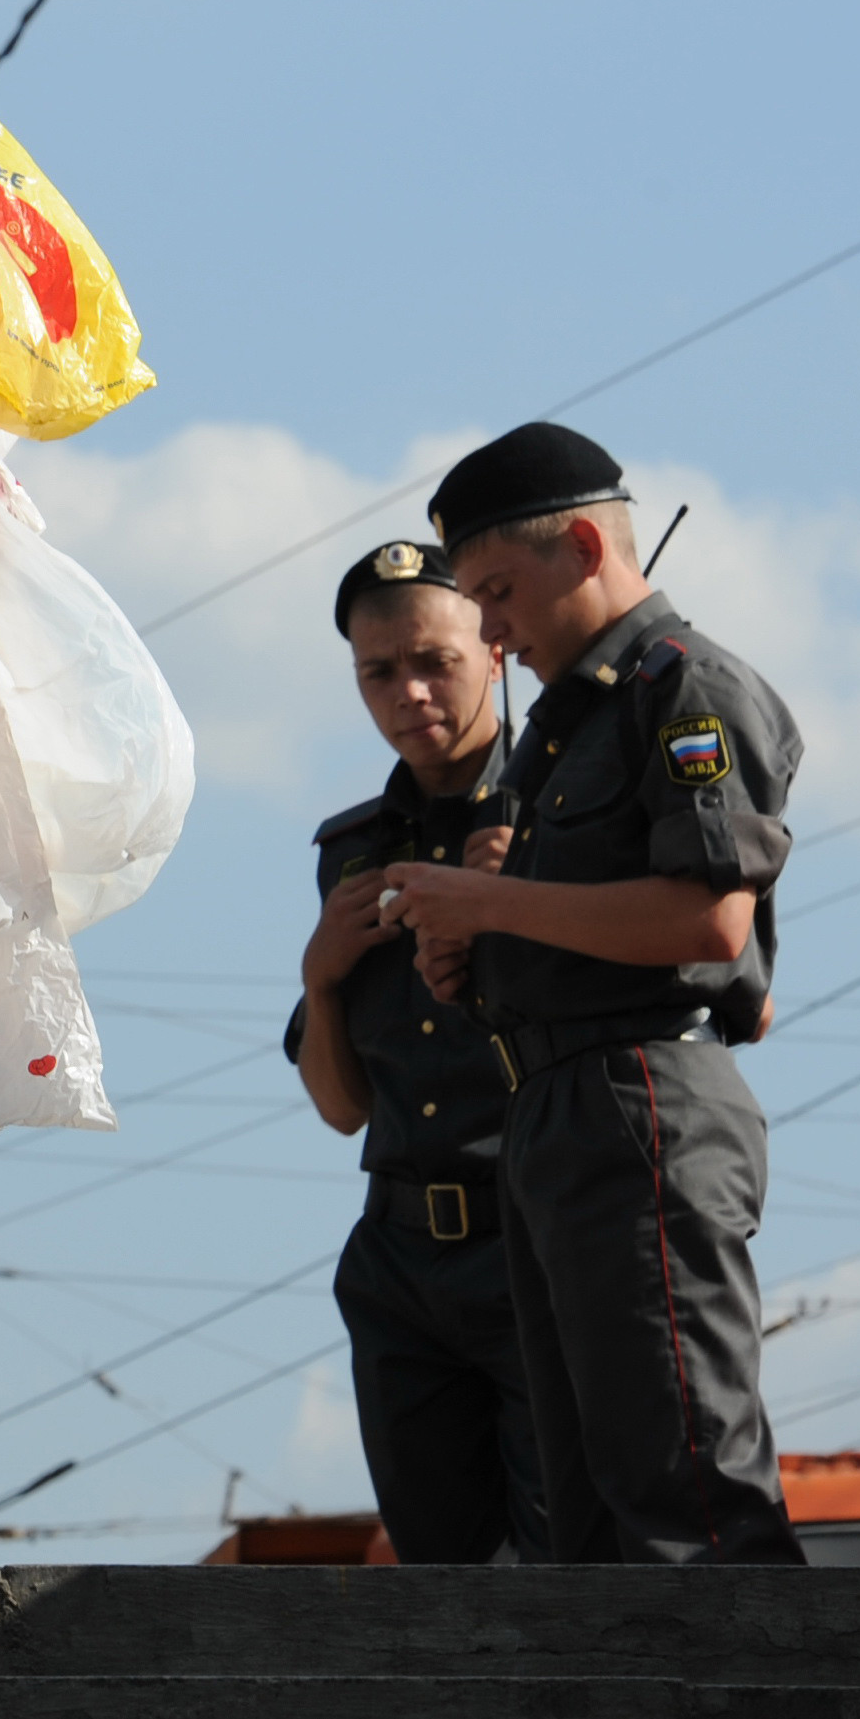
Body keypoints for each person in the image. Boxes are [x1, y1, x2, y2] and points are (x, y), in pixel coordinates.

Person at [388, 423, 806, 1565]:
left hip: (638, 1097)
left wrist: (491, 909)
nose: (488, 631)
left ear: (582, 544)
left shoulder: (681, 689)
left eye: (496, 592)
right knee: (586, 1524)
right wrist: (469, 950)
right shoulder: (569, 724)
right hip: (558, 1110)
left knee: (687, 1488)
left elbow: (707, 920)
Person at [285, 543, 549, 1564]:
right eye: (378, 671)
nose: (408, 691)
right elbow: (341, 1106)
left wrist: (516, 901)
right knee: (437, 1575)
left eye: (432, 660)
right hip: (400, 1258)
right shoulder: (350, 849)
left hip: (533, 1234)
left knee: (570, 1557)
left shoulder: (553, 812)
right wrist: (319, 977)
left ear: (493, 646)